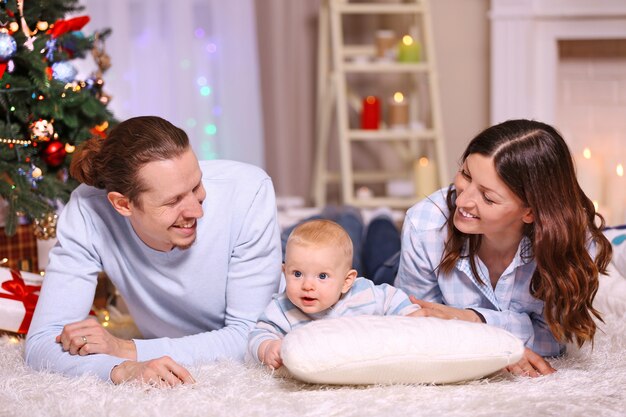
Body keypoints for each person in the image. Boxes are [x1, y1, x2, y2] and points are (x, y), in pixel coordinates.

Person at [25, 116, 282, 386]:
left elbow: (252, 336)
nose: (197, 211)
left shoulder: (247, 191)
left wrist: (127, 349)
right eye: (173, 201)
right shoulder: (88, 210)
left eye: (196, 186)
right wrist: (122, 370)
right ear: (123, 205)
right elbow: (42, 343)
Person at [394, 119, 612, 377]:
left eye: (487, 197)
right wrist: (501, 339)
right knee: (357, 260)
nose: (462, 200)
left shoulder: (572, 241)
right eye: (465, 175)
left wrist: (475, 320)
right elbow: (416, 323)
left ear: (530, 212)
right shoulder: (425, 223)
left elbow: (553, 339)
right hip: (398, 258)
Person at [248, 219, 421, 369]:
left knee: (375, 250)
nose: (307, 285)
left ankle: (372, 218)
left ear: (347, 282)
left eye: (322, 276)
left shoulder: (364, 294)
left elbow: (392, 297)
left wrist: (409, 314)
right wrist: (267, 347)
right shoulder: (281, 309)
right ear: (284, 272)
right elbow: (258, 334)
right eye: (297, 274)